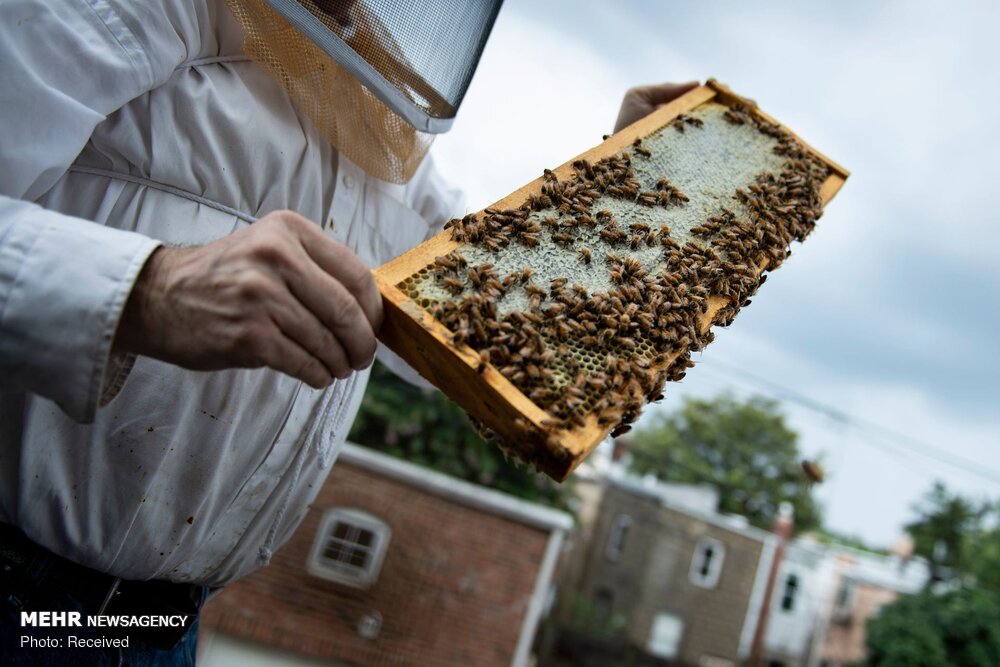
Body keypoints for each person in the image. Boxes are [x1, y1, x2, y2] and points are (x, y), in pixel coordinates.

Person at [0, 0, 696, 662]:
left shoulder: (369, 97)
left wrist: (622, 178)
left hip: (157, 625)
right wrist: (149, 290)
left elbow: (481, 310)